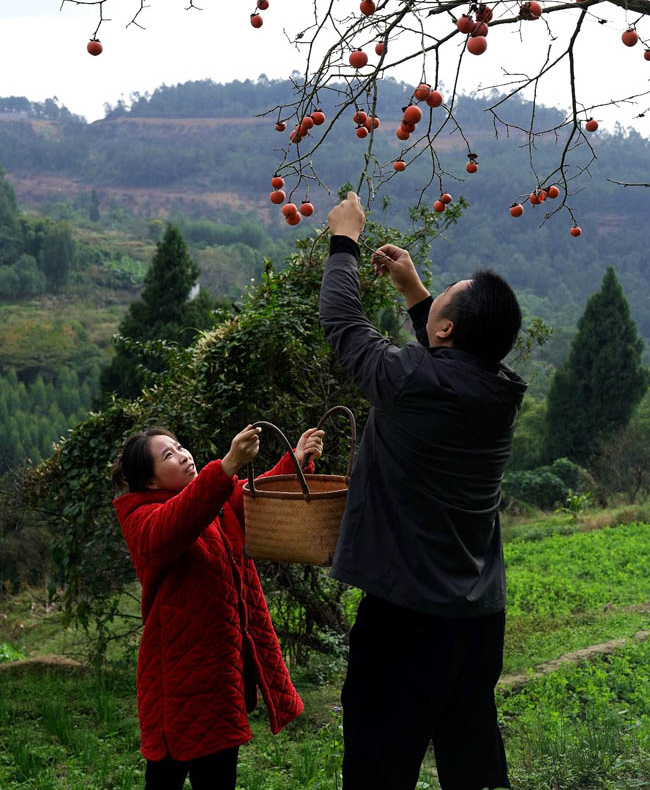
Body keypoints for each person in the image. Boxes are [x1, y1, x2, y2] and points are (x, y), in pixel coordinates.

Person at [319, 191, 527, 790]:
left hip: (406, 620)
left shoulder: (413, 381)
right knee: (472, 763)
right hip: (477, 619)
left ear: (445, 329)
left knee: (378, 768)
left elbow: (342, 325)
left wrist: (344, 243)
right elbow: (451, 363)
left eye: (445, 296)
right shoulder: (500, 389)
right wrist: (415, 294)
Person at [112, 421, 325, 790]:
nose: (183, 456)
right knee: (165, 777)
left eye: (180, 447)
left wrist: (295, 460)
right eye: (169, 455)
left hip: (224, 679)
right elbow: (175, 524)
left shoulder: (216, 496)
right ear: (150, 482)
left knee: (219, 779)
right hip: (177, 688)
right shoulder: (141, 518)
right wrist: (226, 466)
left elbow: (259, 495)